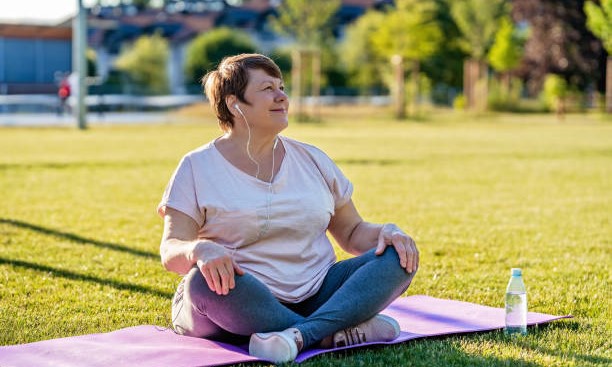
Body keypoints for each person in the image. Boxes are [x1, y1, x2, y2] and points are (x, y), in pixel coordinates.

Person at [157, 53, 419, 363]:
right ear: (233, 103)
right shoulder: (196, 167)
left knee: (396, 256)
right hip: (241, 299)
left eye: (281, 87)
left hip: (317, 294)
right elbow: (170, 250)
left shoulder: (311, 158)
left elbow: (352, 232)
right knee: (202, 282)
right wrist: (198, 250)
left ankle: (299, 335)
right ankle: (331, 331)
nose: (282, 96)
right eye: (267, 88)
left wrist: (388, 232)